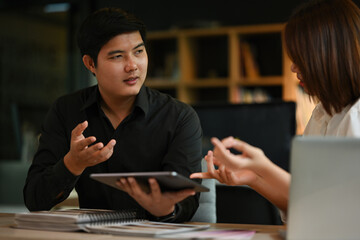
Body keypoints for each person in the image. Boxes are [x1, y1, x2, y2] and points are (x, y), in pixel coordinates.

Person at [23, 7, 203, 223]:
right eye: (117, 56)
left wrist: (166, 209)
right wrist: (72, 164)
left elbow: (187, 204)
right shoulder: (67, 110)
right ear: (90, 64)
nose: (132, 66)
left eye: (139, 52)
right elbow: (34, 200)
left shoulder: (179, 117)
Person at [191, 0, 360, 215]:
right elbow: (305, 206)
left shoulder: (356, 117)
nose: (293, 66)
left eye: (300, 57)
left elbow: (339, 212)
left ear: (330, 55)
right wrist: (252, 178)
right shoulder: (323, 114)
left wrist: (262, 167)